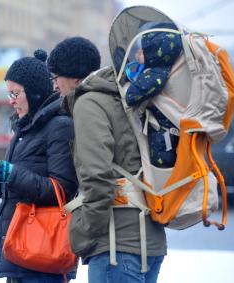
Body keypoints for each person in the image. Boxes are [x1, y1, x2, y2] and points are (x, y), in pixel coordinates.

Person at [48, 37, 167, 282]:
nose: (55, 85)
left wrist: (84, 231)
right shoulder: (123, 94)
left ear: (73, 76)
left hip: (116, 246)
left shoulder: (89, 102)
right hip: (150, 239)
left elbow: (97, 176)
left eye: (56, 76)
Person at [0, 49, 78, 282]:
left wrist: (11, 173)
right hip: (19, 248)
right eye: (8, 94)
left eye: (15, 93)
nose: (11, 101)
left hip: (43, 251)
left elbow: (62, 191)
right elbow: (14, 192)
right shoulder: (24, 129)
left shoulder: (60, 126)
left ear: (34, 93)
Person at [125, 22, 182, 168]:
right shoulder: (168, 67)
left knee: (161, 172)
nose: (137, 53)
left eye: (143, 50)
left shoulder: (156, 73)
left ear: (155, 51)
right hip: (168, 132)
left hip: (163, 136)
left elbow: (131, 96)